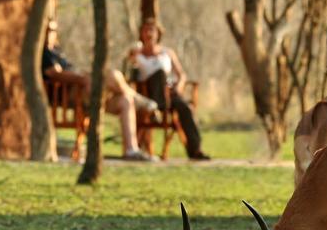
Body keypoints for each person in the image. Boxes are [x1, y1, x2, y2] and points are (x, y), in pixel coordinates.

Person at [42, 21, 158, 162]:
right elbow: (55, 74)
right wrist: (82, 78)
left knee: (125, 100)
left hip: (88, 91)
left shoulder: (57, 51)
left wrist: (85, 75)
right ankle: (141, 101)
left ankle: (131, 150)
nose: (50, 34)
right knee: (112, 75)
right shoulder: (44, 53)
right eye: (47, 30)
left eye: (53, 31)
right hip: (73, 94)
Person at [126, 17, 209, 160]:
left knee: (186, 108)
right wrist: (133, 55)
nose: (149, 34)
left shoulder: (167, 52)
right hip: (149, 95)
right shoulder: (138, 54)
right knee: (159, 73)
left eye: (152, 31)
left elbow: (181, 75)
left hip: (170, 92)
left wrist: (179, 87)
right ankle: (157, 107)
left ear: (158, 34)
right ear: (142, 34)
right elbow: (130, 71)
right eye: (146, 31)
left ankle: (195, 149)